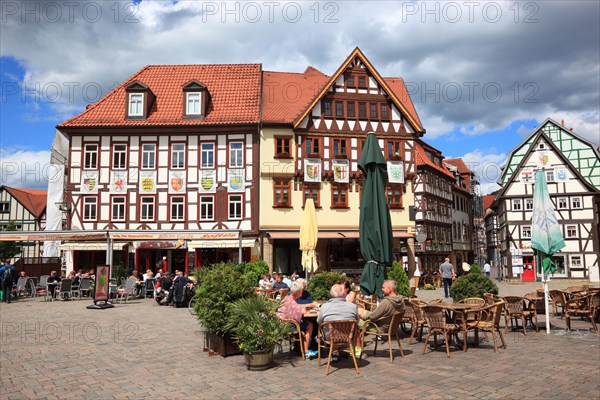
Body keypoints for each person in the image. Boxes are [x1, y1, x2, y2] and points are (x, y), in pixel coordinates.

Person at [277, 281, 319, 358]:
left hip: (281, 323)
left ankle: (301, 347)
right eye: (301, 291)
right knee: (310, 325)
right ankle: (306, 350)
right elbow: (302, 312)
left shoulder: (286, 298)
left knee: (305, 323)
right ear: (298, 293)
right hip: (288, 326)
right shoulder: (293, 303)